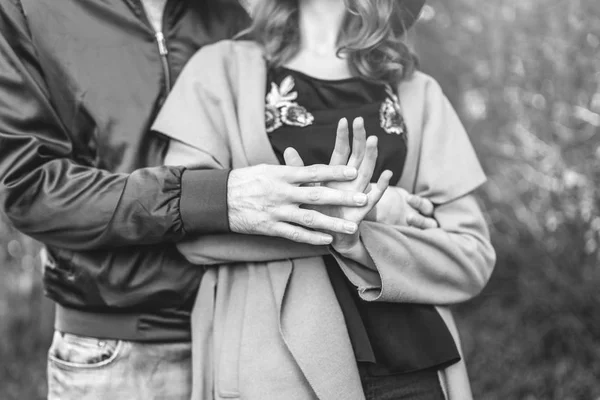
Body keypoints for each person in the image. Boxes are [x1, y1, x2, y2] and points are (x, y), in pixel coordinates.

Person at [0, 0, 437, 399]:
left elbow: (296, 143)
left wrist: (371, 208)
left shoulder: (244, 14)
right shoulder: (28, 9)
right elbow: (29, 186)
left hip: (252, 339)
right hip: (115, 350)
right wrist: (214, 197)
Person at [152, 0, 496, 399]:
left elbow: (471, 256)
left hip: (414, 366)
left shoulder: (418, 91)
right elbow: (189, 226)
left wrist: (361, 240)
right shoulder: (219, 70)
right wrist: (363, 213)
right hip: (271, 367)